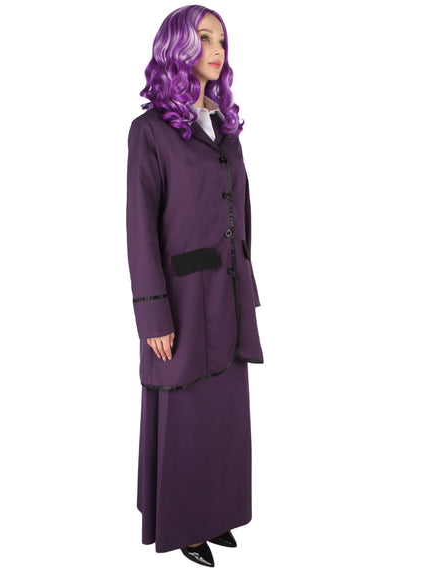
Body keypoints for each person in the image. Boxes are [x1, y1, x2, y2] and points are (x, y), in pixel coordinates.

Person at [126, 4, 264, 567]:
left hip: (227, 297)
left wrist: (248, 285)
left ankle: (217, 515)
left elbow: (244, 216)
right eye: (204, 38)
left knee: (223, 416)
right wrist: (153, 315)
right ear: (176, 47)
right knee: (185, 416)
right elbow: (139, 228)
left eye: (222, 40)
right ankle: (185, 526)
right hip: (181, 303)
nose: (217, 50)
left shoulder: (226, 130)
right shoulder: (150, 132)